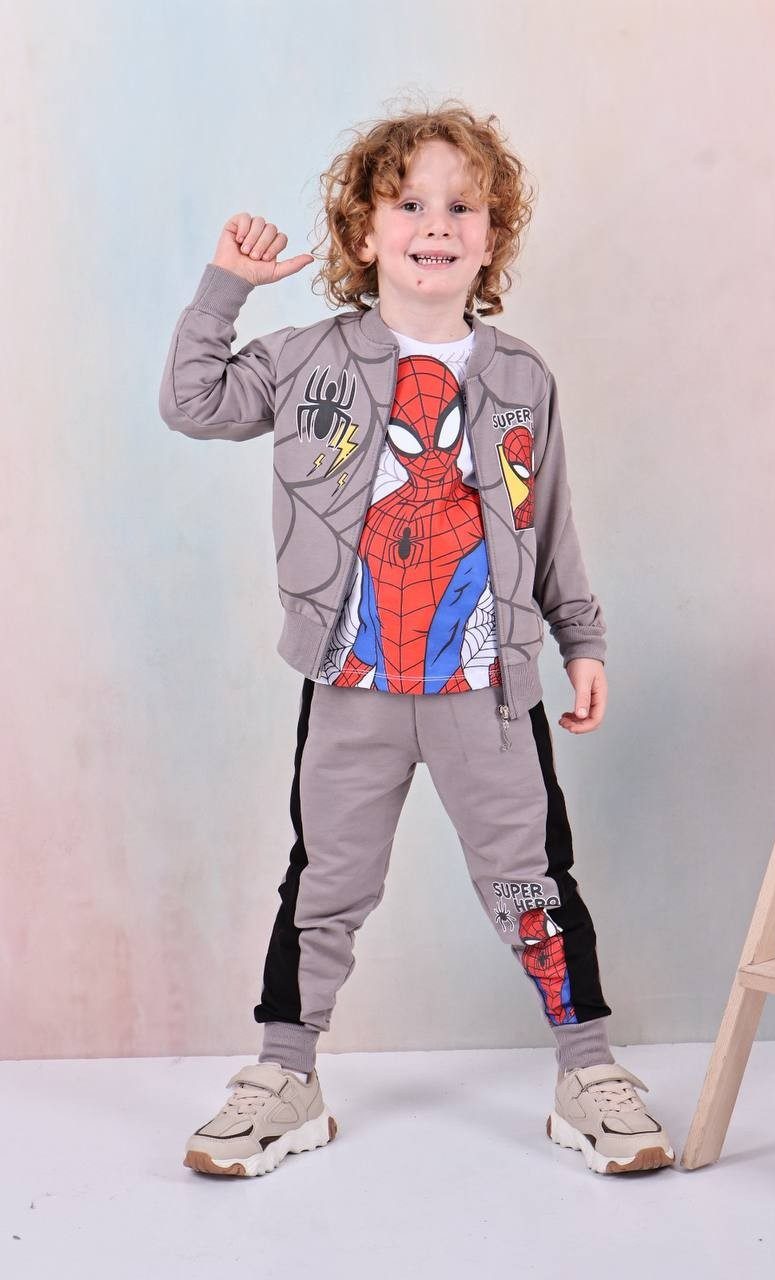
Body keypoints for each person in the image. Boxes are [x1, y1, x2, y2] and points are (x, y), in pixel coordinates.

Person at [158, 101, 674, 1178]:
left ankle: (587, 1069)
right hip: (352, 683)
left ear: (491, 238)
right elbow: (193, 401)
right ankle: (285, 1074)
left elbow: (549, 522)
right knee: (324, 884)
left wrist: (581, 639)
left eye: (462, 206)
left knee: (531, 879)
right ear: (363, 232)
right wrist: (225, 290)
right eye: (408, 204)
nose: (435, 223)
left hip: (489, 690)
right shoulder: (307, 358)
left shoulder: (521, 377)